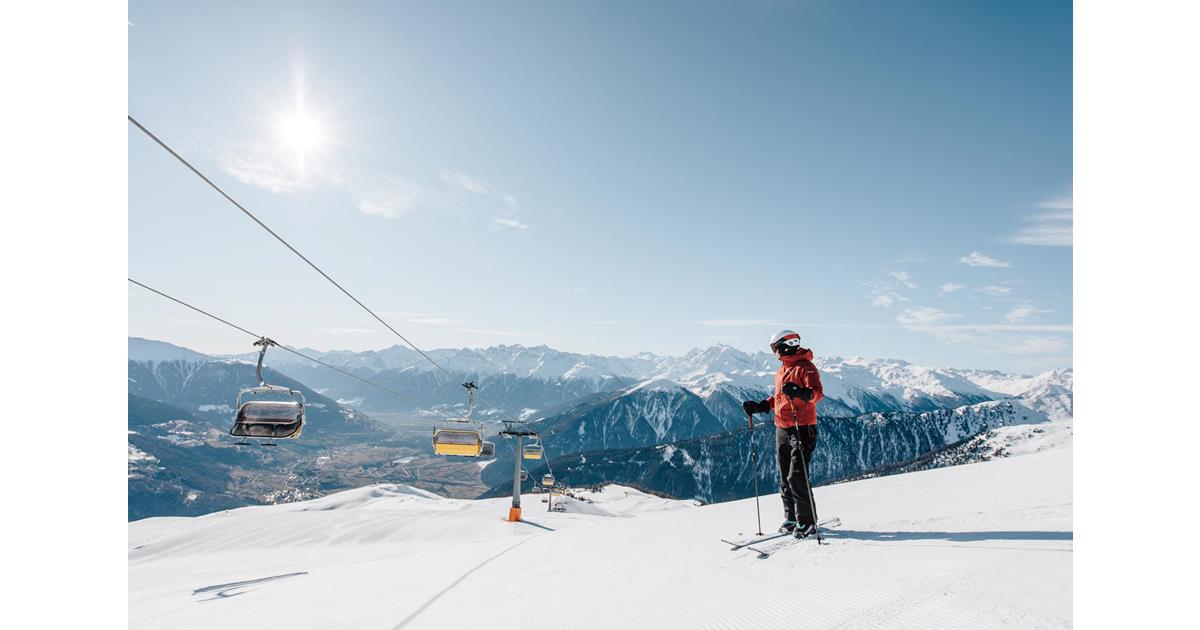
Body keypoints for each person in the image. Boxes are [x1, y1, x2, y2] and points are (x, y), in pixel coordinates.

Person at [742, 329, 824, 538]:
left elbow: (816, 394)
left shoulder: (806, 367)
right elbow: (779, 398)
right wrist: (760, 406)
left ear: (784, 346)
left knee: (797, 475)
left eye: (775, 348)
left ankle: (807, 520)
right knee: (785, 474)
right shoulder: (782, 370)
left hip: (802, 427)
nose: (774, 352)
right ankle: (792, 517)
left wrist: (800, 393)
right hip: (782, 427)